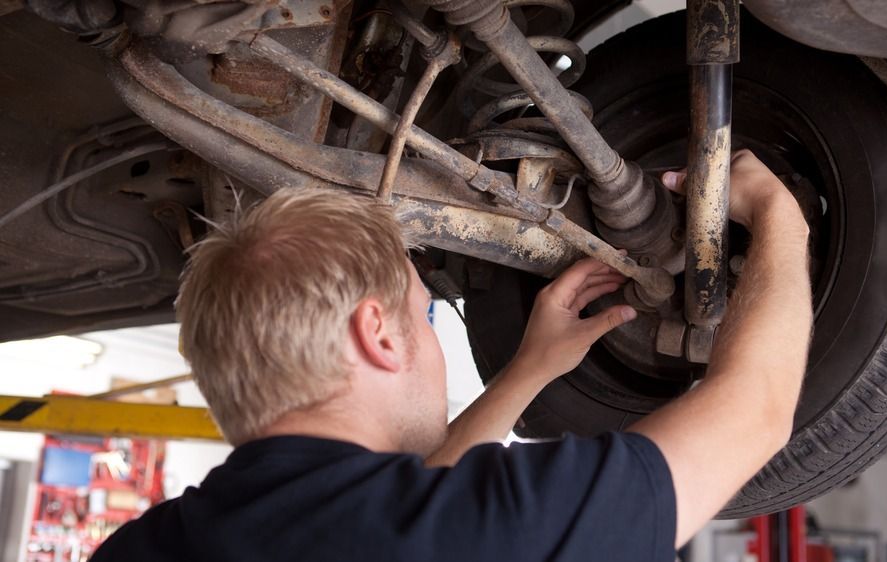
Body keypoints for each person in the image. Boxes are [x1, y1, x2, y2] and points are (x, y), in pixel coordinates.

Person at [91, 150, 812, 562]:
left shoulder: (139, 553)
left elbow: (402, 508)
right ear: (376, 335)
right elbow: (756, 413)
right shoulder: (482, 528)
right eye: (424, 314)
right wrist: (781, 215)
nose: (430, 335)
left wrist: (527, 370)